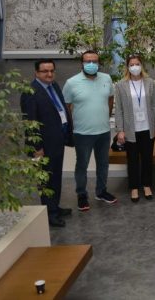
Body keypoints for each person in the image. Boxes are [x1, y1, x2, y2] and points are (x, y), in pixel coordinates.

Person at [20, 59, 74, 227]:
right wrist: (37, 148)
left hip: (57, 140)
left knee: (55, 176)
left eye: (51, 71)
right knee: (46, 179)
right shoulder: (30, 92)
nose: (49, 74)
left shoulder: (54, 86)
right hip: (43, 145)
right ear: (36, 73)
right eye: (45, 71)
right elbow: (30, 122)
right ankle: (50, 214)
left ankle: (55, 206)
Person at [63, 50, 117, 211]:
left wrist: (105, 116)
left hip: (103, 131)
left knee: (103, 164)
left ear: (99, 63)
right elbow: (66, 107)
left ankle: (101, 191)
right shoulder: (71, 83)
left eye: (94, 61)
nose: (91, 64)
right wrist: (71, 128)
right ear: (82, 63)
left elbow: (110, 98)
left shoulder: (106, 78)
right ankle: (81, 195)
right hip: (82, 133)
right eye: (88, 61)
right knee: (82, 165)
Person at [114, 55, 155, 202]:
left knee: (147, 158)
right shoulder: (121, 85)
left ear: (141, 65)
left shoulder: (149, 82)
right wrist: (120, 130)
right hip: (130, 129)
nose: (135, 67)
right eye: (132, 65)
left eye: (137, 64)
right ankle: (134, 188)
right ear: (127, 67)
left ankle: (147, 185)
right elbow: (119, 110)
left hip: (147, 127)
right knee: (132, 160)